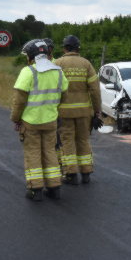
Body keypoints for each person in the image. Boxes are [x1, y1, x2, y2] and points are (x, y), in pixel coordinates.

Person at [11, 39, 69, 201]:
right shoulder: (58, 71)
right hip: (51, 121)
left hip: (31, 123)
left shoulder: (28, 72)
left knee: (33, 153)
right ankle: (54, 188)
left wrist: (16, 119)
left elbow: (19, 100)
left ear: (31, 56)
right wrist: (53, 110)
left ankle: (35, 190)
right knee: (50, 152)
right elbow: (64, 95)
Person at [54, 35, 102, 185]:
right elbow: (95, 90)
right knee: (83, 140)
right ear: (78, 48)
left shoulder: (57, 64)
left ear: (64, 48)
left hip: (64, 113)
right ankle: (86, 172)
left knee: (67, 141)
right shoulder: (86, 64)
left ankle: (71, 174)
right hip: (84, 113)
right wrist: (97, 112)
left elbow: (52, 89)